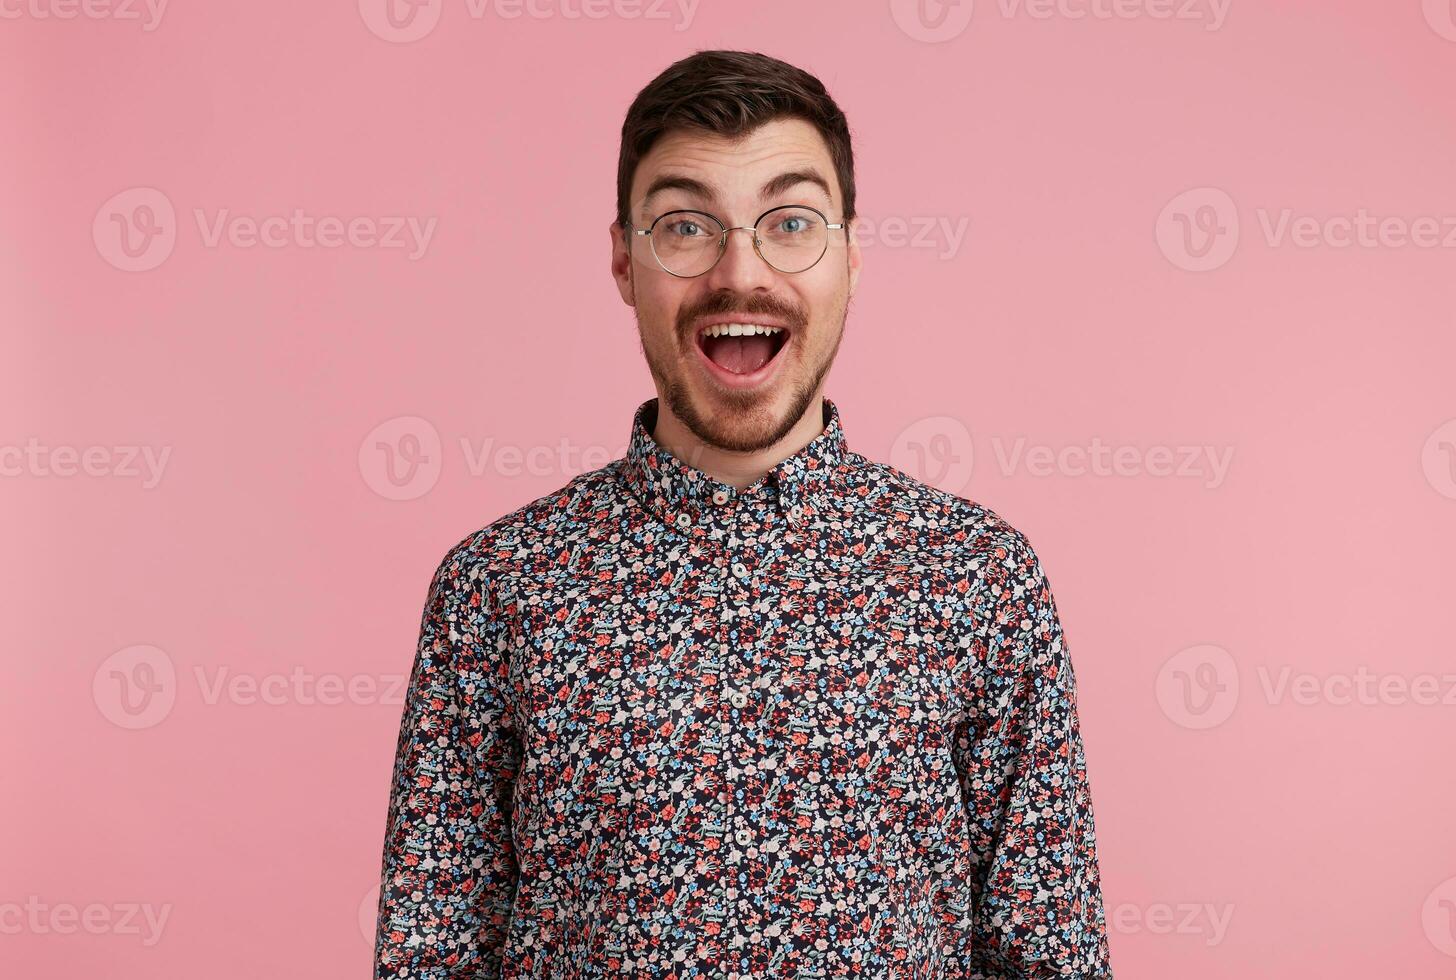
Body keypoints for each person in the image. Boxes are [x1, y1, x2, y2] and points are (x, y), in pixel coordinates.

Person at [374, 48, 1113, 980]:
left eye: (790, 222)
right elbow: (428, 954)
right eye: (685, 226)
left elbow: (1051, 955)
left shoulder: (979, 577)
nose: (739, 272)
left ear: (849, 254)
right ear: (622, 260)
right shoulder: (496, 589)